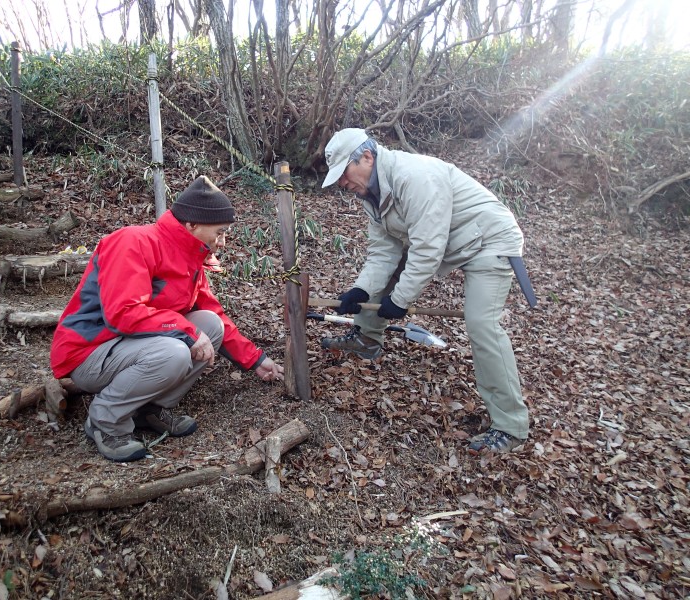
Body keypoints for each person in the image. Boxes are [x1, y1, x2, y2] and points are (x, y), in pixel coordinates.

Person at [319, 128, 531, 453]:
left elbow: (428, 248)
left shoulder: (415, 176)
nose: (343, 184)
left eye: (343, 174)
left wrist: (400, 301)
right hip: (454, 241)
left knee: (482, 325)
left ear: (366, 156)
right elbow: (383, 254)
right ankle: (366, 338)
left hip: (490, 240)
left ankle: (511, 426)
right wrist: (361, 291)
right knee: (385, 278)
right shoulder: (372, 196)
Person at [50, 176, 284, 462]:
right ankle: (105, 422)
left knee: (210, 325)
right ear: (192, 225)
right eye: (220, 233)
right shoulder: (134, 242)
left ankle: (148, 410)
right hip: (88, 352)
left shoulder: (191, 256)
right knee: (173, 351)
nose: (222, 242)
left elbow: (214, 315)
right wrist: (187, 332)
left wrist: (256, 360)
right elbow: (123, 313)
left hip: (131, 346)